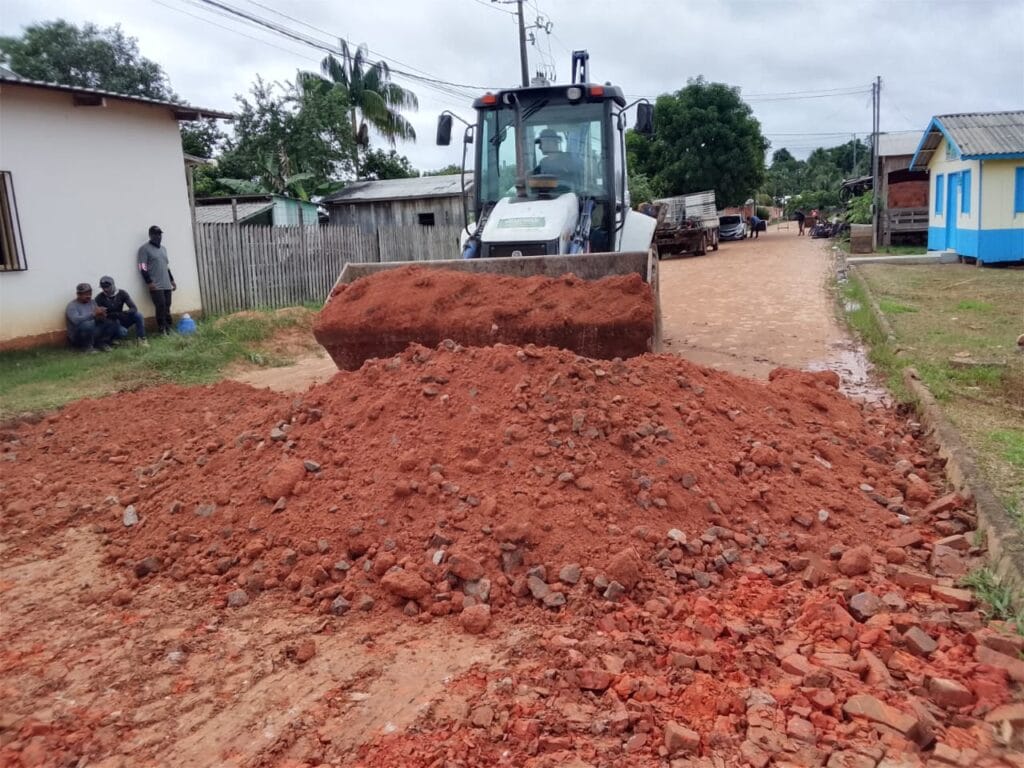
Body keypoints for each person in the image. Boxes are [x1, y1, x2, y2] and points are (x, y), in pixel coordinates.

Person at [137, 225, 176, 334]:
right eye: (155, 234)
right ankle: (162, 328)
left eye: (159, 234)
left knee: (167, 305)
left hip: (166, 283)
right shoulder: (144, 249)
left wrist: (172, 280)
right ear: (150, 235)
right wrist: (149, 282)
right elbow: (142, 267)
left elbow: (166, 266)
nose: (158, 236)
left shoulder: (163, 249)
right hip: (156, 285)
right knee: (161, 305)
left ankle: (169, 328)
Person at [96, 275, 148, 347]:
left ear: (113, 285)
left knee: (138, 315)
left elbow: (134, 308)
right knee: (123, 332)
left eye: (107, 287)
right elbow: (99, 317)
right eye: (103, 287)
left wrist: (126, 313)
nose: (105, 289)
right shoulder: (99, 298)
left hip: (121, 318)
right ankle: (111, 340)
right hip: (110, 322)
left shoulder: (122, 293)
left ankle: (141, 339)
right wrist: (105, 314)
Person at [65, 283, 117, 353]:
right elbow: (76, 320)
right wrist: (93, 314)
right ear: (78, 294)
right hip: (77, 336)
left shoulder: (92, 302)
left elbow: (96, 317)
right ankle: (87, 347)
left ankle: (101, 343)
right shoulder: (72, 306)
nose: (88, 296)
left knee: (110, 321)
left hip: (92, 332)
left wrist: (101, 315)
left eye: (90, 293)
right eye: (86, 294)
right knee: (88, 324)